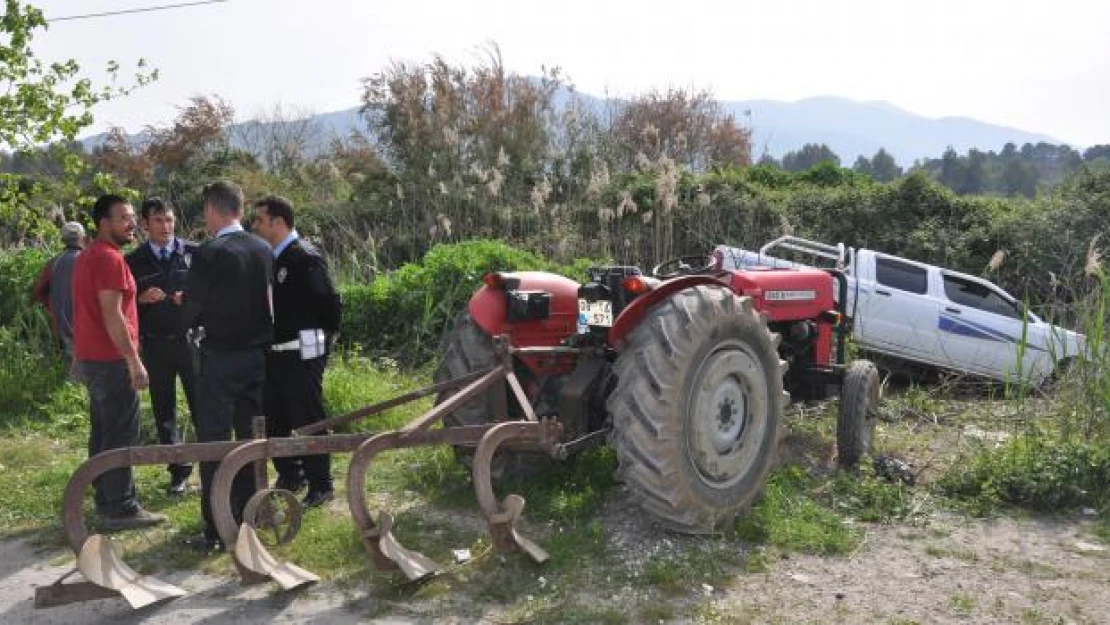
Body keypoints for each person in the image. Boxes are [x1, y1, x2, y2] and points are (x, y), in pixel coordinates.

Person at [182, 181, 274, 551]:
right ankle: (251, 512)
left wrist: (185, 316)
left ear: (212, 209)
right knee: (251, 436)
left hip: (219, 357)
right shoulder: (263, 248)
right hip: (255, 356)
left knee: (215, 440)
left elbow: (193, 307)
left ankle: (217, 523)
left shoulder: (209, 253)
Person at [71, 195, 166, 530]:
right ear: (104, 224)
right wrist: (134, 361)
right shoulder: (109, 259)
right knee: (122, 433)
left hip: (94, 358)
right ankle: (121, 507)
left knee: (103, 430)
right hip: (111, 361)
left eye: (131, 217)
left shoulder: (88, 256)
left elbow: (102, 307)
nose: (132, 224)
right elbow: (112, 316)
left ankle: (104, 497)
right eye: (123, 218)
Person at [251, 196, 342, 507]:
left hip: (303, 350)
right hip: (274, 351)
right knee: (274, 415)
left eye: (259, 220)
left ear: (278, 222)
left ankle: (321, 483)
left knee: (307, 416)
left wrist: (321, 343)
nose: (254, 226)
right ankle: (291, 473)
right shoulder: (269, 256)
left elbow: (329, 302)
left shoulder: (304, 255)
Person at [125, 198, 199, 496]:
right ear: (145, 225)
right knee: (163, 411)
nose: (165, 226)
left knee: (203, 405)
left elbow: (211, 296)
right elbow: (124, 306)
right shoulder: (133, 260)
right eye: (158, 221)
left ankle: (213, 464)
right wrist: (140, 299)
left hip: (192, 342)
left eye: (169, 220)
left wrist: (190, 298)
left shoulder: (194, 252)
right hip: (156, 346)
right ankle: (178, 470)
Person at [32, 221, 86, 361]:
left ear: (63, 239)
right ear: (82, 237)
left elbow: (38, 290)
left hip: (61, 327)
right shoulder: (88, 259)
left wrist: (51, 307)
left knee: (66, 369)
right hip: (87, 327)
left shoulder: (54, 262)